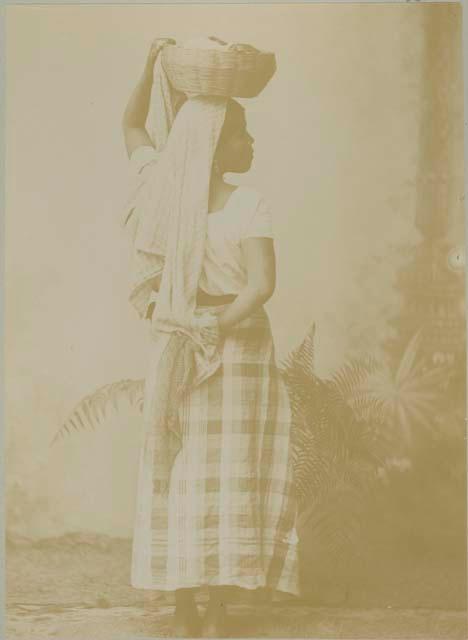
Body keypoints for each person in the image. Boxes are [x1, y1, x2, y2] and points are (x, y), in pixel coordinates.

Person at [121, 38, 299, 638]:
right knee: (206, 471)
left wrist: (149, 68)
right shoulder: (223, 202)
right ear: (214, 143)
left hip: (212, 345)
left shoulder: (176, 193)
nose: (250, 145)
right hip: (213, 344)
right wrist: (211, 327)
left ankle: (203, 606)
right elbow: (260, 285)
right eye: (241, 133)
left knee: (204, 471)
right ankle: (199, 605)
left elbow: (261, 286)